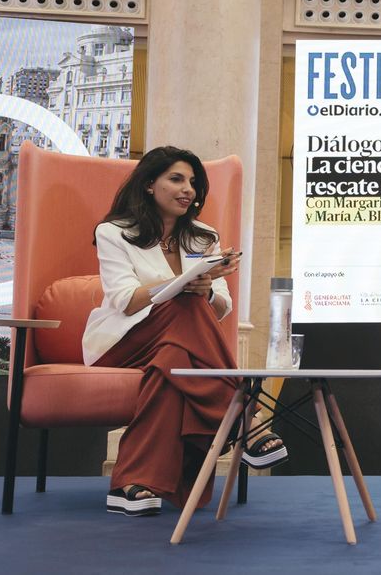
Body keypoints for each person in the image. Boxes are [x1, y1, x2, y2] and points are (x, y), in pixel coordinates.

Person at [82, 146, 286, 517]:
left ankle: (132, 485)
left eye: (193, 182)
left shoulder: (204, 237)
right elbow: (126, 300)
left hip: (173, 341)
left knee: (173, 360)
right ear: (148, 184)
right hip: (122, 340)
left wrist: (205, 288)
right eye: (176, 179)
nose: (187, 189)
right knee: (182, 302)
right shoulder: (114, 232)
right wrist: (180, 282)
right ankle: (246, 417)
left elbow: (221, 307)